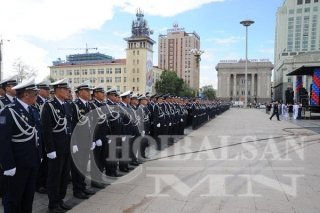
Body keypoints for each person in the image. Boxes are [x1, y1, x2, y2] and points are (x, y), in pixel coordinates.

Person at [0, 78, 42, 213]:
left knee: (28, 198)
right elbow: (3, 141)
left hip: (32, 161)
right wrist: (8, 165)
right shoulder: (8, 111)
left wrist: (39, 155)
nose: (37, 96)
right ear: (26, 94)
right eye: (35, 94)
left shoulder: (33, 110)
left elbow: (37, 135)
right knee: (13, 199)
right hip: (17, 165)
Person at [41, 78, 73, 212]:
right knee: (54, 176)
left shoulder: (66, 104)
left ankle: (60, 199)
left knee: (64, 175)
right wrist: (50, 149)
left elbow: (69, 126)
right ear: (58, 90)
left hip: (66, 146)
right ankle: (53, 204)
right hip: (56, 148)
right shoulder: (49, 106)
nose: (68, 92)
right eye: (66, 90)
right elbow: (46, 130)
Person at [35, 80, 51, 194]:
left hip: (47, 134)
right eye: (46, 89)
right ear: (39, 90)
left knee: (47, 161)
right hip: (38, 134)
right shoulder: (35, 102)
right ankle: (39, 184)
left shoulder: (48, 102)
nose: (48, 91)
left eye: (48, 89)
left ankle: (45, 182)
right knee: (41, 161)